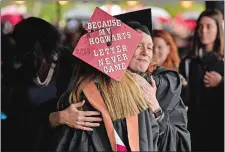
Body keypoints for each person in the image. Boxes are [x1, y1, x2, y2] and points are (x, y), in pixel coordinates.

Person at [48, 9, 191, 152]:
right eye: (138, 45)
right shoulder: (87, 89)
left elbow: (179, 142)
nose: (145, 53)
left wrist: (156, 110)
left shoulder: (163, 87)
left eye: (150, 47)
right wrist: (58, 117)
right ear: (120, 48)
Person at [179, 9, 224, 151]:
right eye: (200, 26)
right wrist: (183, 87)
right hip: (194, 127)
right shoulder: (187, 61)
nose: (203, 31)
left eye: (209, 26)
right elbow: (184, 100)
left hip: (220, 129)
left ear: (218, 30)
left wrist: (222, 83)